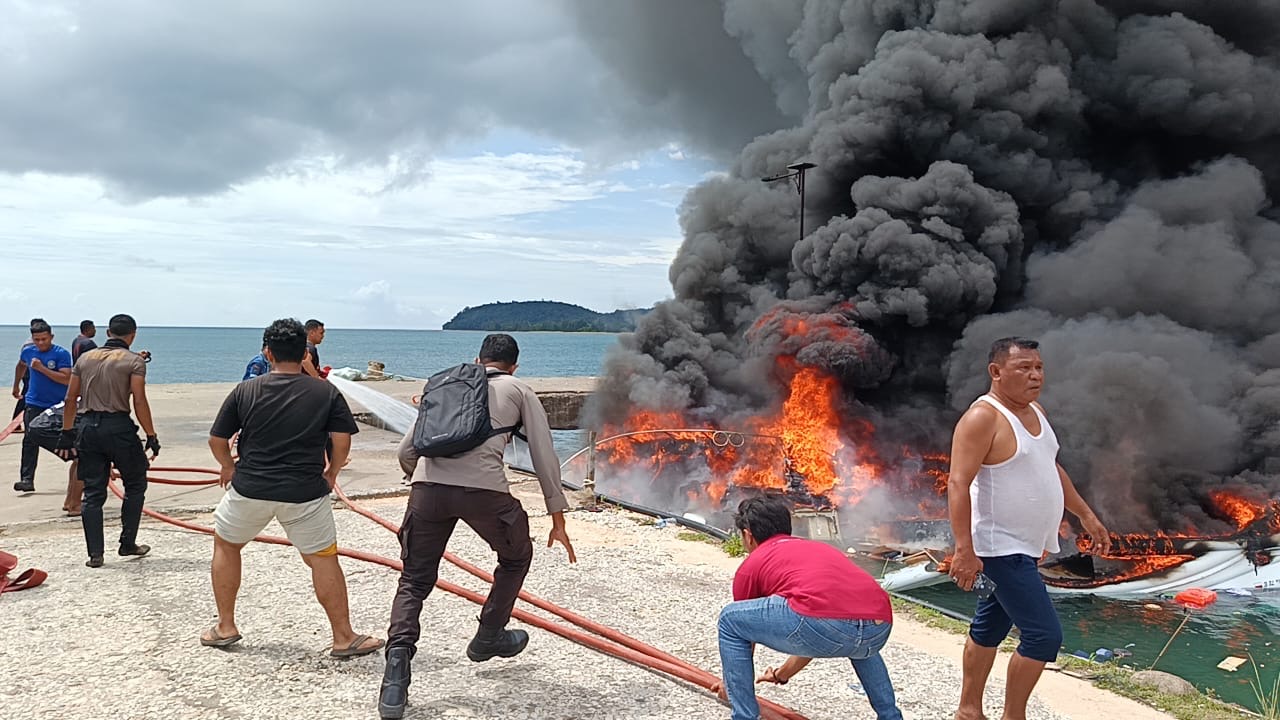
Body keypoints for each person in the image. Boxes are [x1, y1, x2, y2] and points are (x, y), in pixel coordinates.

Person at [378, 333, 577, 720]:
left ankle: (395, 679)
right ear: (514, 366)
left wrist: (420, 483)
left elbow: (407, 451)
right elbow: (543, 453)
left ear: (477, 359)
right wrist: (557, 516)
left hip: (427, 489)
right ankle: (489, 635)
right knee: (516, 556)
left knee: (414, 580)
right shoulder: (519, 389)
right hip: (485, 492)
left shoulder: (446, 385)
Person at [947, 337, 1111, 720]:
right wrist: (963, 550)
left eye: (1038, 367)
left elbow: (1049, 467)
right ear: (996, 372)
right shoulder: (982, 418)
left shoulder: (1036, 411)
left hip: (1026, 545)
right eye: (1024, 368)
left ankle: (968, 711)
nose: (1035, 375)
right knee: (1043, 636)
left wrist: (1085, 514)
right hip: (999, 547)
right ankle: (1013, 716)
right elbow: (957, 482)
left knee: (989, 627)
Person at [204, 318, 383, 658]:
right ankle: (343, 637)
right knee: (323, 559)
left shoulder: (246, 390)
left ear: (267, 352)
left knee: (227, 545)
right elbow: (341, 440)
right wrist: (332, 473)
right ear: (304, 353)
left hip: (250, 488)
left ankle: (225, 627)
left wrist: (228, 466)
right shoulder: (325, 391)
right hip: (305, 491)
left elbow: (217, 439)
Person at [711, 495, 903, 720]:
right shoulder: (817, 549)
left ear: (748, 535)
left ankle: (743, 716)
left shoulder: (751, 565)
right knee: (859, 642)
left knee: (729, 620)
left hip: (821, 625)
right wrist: (781, 675)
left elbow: (746, 639)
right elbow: (820, 630)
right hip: (878, 629)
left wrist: (732, 688)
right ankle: (891, 716)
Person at [60, 314, 159, 567]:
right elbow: (139, 400)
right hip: (118, 428)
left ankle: (95, 555)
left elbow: (71, 398)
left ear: (107, 333)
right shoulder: (134, 361)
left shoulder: (84, 359)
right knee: (135, 483)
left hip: (87, 428)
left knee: (92, 493)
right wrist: (151, 435)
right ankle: (127, 543)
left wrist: (67, 431)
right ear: (133, 334)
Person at [13, 319, 72, 493]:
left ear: (51, 337)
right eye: (37, 339)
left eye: (44, 339)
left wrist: (42, 369)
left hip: (58, 404)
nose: (40, 343)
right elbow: (21, 365)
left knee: (67, 436)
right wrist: (16, 384)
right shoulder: (28, 351)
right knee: (30, 438)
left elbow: (66, 378)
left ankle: (78, 463)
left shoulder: (61, 354)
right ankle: (27, 479)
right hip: (34, 402)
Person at [25, 401, 84, 515]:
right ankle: (75, 505)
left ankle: (70, 501)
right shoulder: (95, 406)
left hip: (38, 424)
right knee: (86, 460)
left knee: (78, 459)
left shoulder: (85, 397)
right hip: (48, 427)